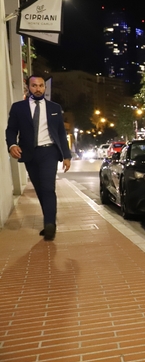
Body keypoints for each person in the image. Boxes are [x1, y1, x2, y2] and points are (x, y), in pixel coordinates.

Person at [5, 75, 72, 241]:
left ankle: (50, 224)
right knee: (40, 189)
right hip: (29, 153)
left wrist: (67, 156)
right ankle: (49, 220)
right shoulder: (18, 108)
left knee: (48, 187)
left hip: (49, 152)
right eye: (34, 86)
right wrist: (12, 145)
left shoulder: (55, 107)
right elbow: (11, 130)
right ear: (28, 88)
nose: (38, 89)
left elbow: (61, 134)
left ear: (45, 88)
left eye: (41, 86)